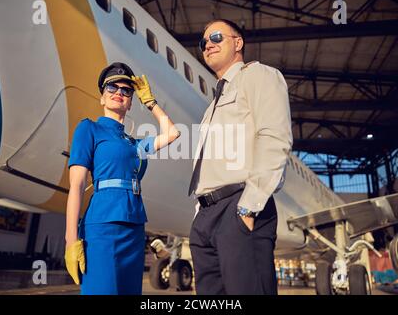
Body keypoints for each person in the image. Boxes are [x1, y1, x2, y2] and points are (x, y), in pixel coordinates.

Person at [188, 19, 293, 295]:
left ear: (238, 43)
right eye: (203, 42)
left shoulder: (260, 76)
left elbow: (274, 138)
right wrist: (199, 214)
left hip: (239, 207)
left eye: (217, 37)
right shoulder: (211, 107)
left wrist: (249, 207)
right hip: (205, 218)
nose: (208, 44)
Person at [64, 62, 180, 295]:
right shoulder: (89, 129)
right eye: (112, 88)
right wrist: (71, 240)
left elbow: (172, 134)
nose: (119, 92)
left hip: (134, 227)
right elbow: (76, 186)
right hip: (102, 227)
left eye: (127, 90)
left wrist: (150, 102)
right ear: (102, 98)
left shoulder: (134, 143)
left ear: (130, 102)